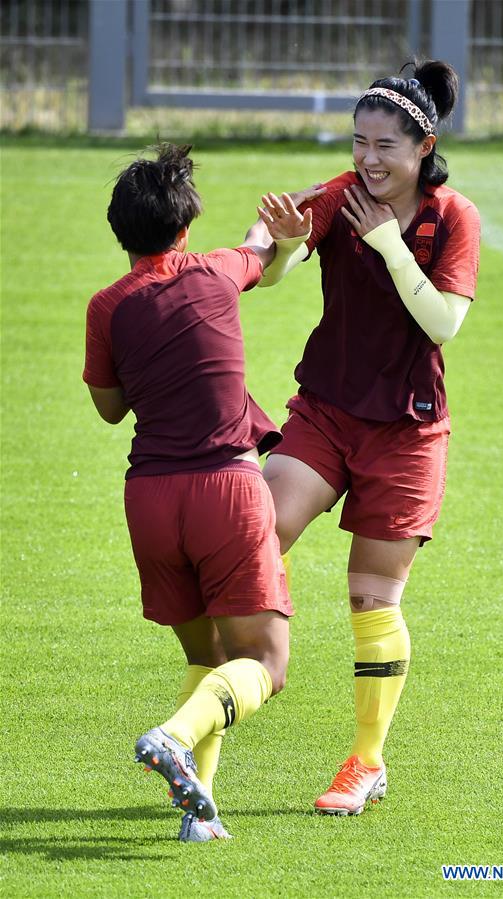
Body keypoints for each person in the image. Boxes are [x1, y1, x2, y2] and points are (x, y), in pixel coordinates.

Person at [251, 60, 481, 816]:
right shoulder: (341, 196)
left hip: (407, 432)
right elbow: (275, 254)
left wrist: (386, 244)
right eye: (358, 142)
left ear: (423, 146)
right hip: (326, 411)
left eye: (384, 145)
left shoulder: (451, 219)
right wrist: (277, 246)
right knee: (251, 530)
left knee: (371, 596)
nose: (367, 159)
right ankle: (241, 678)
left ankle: (365, 761)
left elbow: (444, 321)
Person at [83, 143, 313, 842]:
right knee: (264, 663)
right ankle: (174, 736)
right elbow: (259, 248)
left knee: (205, 656)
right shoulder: (214, 272)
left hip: (150, 500)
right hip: (226, 491)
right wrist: (283, 228)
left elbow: (109, 407)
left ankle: (199, 811)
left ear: (120, 230)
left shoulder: (106, 307)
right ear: (184, 230)